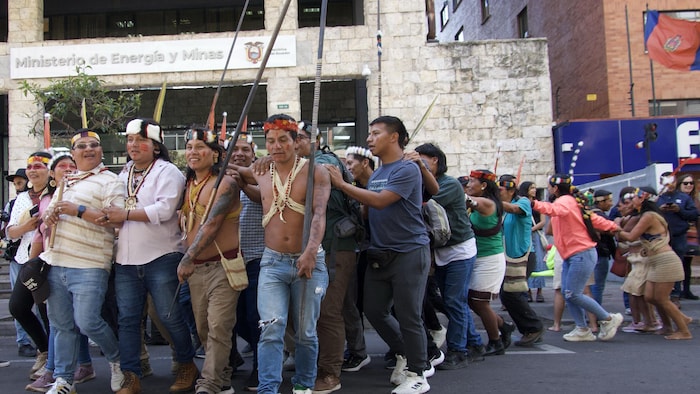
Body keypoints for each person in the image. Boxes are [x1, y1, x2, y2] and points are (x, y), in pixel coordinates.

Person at [326, 116, 431, 394]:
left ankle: (418, 372)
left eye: (375, 133)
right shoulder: (380, 172)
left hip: (409, 251)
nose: (369, 139)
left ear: (394, 137)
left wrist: (342, 185)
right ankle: (405, 354)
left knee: (409, 315)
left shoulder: (407, 169)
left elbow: (382, 201)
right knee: (373, 310)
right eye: (369, 133)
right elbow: (371, 208)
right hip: (380, 253)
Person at [228, 114, 330, 394]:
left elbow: (319, 215)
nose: (276, 146)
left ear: (296, 142)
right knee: (271, 328)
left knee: (305, 333)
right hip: (272, 262)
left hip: (308, 260)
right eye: (270, 141)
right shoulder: (261, 171)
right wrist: (236, 177)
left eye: (283, 140)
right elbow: (240, 177)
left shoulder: (315, 172)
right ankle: (268, 388)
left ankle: (304, 384)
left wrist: (310, 252)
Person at [104, 118, 198, 394]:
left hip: (162, 256)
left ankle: (186, 363)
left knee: (170, 317)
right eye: (130, 140)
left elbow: (165, 210)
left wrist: (124, 214)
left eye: (140, 141)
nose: (133, 145)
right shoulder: (123, 174)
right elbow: (115, 208)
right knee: (128, 320)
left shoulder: (168, 172)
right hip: (126, 260)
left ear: (156, 147)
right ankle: (131, 375)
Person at [41, 130, 125, 393]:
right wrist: (50, 217)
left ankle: (116, 360)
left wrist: (76, 210)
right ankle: (64, 380)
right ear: (73, 153)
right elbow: (47, 220)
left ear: (101, 151)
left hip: (90, 262)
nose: (88, 149)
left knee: (87, 321)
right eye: (82, 146)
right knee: (61, 325)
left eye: (94, 145)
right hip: (56, 261)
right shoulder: (67, 181)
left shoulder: (111, 181)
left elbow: (116, 219)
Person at [176, 126, 242, 394]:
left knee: (217, 326)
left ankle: (209, 384)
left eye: (200, 148)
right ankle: (223, 376)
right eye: (190, 148)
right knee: (204, 327)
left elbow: (212, 225)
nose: (194, 152)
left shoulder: (225, 183)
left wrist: (186, 258)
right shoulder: (187, 183)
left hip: (224, 267)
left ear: (215, 155)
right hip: (197, 270)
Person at [531, 174, 623, 342]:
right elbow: (594, 220)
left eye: (549, 187)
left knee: (573, 293)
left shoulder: (564, 201)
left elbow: (554, 210)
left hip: (580, 254)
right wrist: (613, 226)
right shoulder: (573, 202)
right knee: (569, 293)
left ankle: (608, 318)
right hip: (573, 254)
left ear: (555, 188)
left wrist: (533, 203)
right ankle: (582, 328)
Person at [415, 143, 475, 369]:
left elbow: (426, 203)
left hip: (460, 249)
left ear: (435, 160)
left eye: (423, 160)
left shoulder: (447, 185)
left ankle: (458, 349)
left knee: (454, 300)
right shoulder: (427, 183)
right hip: (441, 251)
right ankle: (475, 342)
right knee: (452, 301)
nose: (419, 164)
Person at [616, 187, 692, 339]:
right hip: (655, 261)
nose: (631, 201)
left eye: (634, 198)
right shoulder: (645, 215)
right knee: (651, 297)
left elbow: (631, 236)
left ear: (642, 199)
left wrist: (614, 228)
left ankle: (684, 330)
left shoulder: (649, 216)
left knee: (662, 298)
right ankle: (668, 326)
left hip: (665, 260)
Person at [6, 152, 52, 374]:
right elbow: (11, 232)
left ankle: (53, 363)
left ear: (49, 170)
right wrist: (27, 226)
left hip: (49, 261)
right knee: (17, 307)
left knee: (48, 314)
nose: (33, 170)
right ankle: (44, 350)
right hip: (27, 263)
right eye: (30, 167)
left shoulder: (56, 194)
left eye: (39, 166)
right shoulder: (22, 198)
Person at [462, 169, 513, 356]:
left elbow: (467, 200)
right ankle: (504, 327)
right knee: (474, 302)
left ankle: (496, 341)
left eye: (472, 181)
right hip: (478, 257)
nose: (468, 185)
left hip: (489, 260)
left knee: (480, 303)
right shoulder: (488, 202)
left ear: (484, 186)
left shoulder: (486, 203)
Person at [228, 133, 263, 391]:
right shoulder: (221, 175)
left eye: (244, 149)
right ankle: (234, 357)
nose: (239, 153)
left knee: (255, 316)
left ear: (253, 153)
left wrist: (241, 182)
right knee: (236, 318)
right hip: (230, 259)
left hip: (258, 257)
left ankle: (261, 368)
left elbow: (262, 197)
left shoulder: (262, 171)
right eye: (234, 149)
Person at [497, 174, 545, 347]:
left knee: (513, 293)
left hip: (523, 256)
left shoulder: (522, 202)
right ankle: (528, 328)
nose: (498, 192)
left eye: (500, 190)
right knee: (507, 294)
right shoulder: (503, 209)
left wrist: (493, 202)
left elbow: (515, 210)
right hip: (509, 256)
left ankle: (534, 327)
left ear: (510, 190)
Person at [339, 147, 374, 373]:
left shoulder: (377, 184)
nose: (348, 167)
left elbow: (365, 214)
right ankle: (356, 350)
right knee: (355, 303)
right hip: (362, 250)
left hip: (384, 250)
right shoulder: (354, 187)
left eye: (351, 163)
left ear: (365, 163)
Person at [657, 171, 698, 306]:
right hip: (661, 237)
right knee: (662, 266)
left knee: (678, 265)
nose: (670, 185)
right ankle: (663, 294)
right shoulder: (657, 198)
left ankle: (676, 295)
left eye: (673, 181)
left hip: (679, 236)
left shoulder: (684, 198)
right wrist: (660, 210)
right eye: (667, 182)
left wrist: (679, 210)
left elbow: (693, 214)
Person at [519, 181, 547, 303]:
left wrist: (530, 229)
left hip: (535, 234)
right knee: (527, 261)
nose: (534, 190)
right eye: (531, 188)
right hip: (525, 235)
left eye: (535, 188)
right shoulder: (521, 203)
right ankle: (528, 290)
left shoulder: (538, 204)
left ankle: (539, 291)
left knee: (539, 262)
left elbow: (543, 221)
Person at [676, 173, 700, 300]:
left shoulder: (695, 199)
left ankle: (686, 290)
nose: (689, 185)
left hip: (692, 233)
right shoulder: (676, 198)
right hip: (679, 233)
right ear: (680, 184)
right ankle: (676, 290)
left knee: (687, 262)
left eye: (691, 183)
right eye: (686, 183)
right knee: (677, 262)